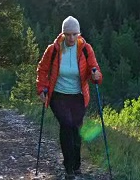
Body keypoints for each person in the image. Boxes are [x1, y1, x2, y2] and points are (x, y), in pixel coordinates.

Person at [36, 16, 103, 179]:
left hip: (78, 95)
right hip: (58, 95)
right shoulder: (53, 49)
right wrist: (41, 89)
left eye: (74, 34)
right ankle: (69, 168)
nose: (71, 38)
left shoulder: (86, 49)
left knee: (76, 128)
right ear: (63, 34)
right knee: (66, 124)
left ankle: (76, 164)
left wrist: (95, 74)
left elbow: (95, 71)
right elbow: (42, 70)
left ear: (79, 34)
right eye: (68, 34)